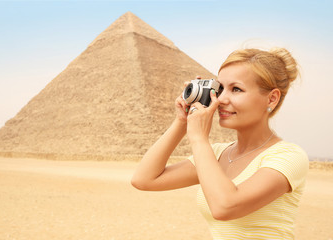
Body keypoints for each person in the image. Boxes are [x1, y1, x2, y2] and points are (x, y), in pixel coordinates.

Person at [131, 47, 309, 239]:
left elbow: (225, 206)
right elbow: (144, 179)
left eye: (236, 89)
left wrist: (199, 139)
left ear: (272, 98)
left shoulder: (288, 156)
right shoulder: (216, 154)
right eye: (221, 88)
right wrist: (181, 122)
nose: (221, 99)